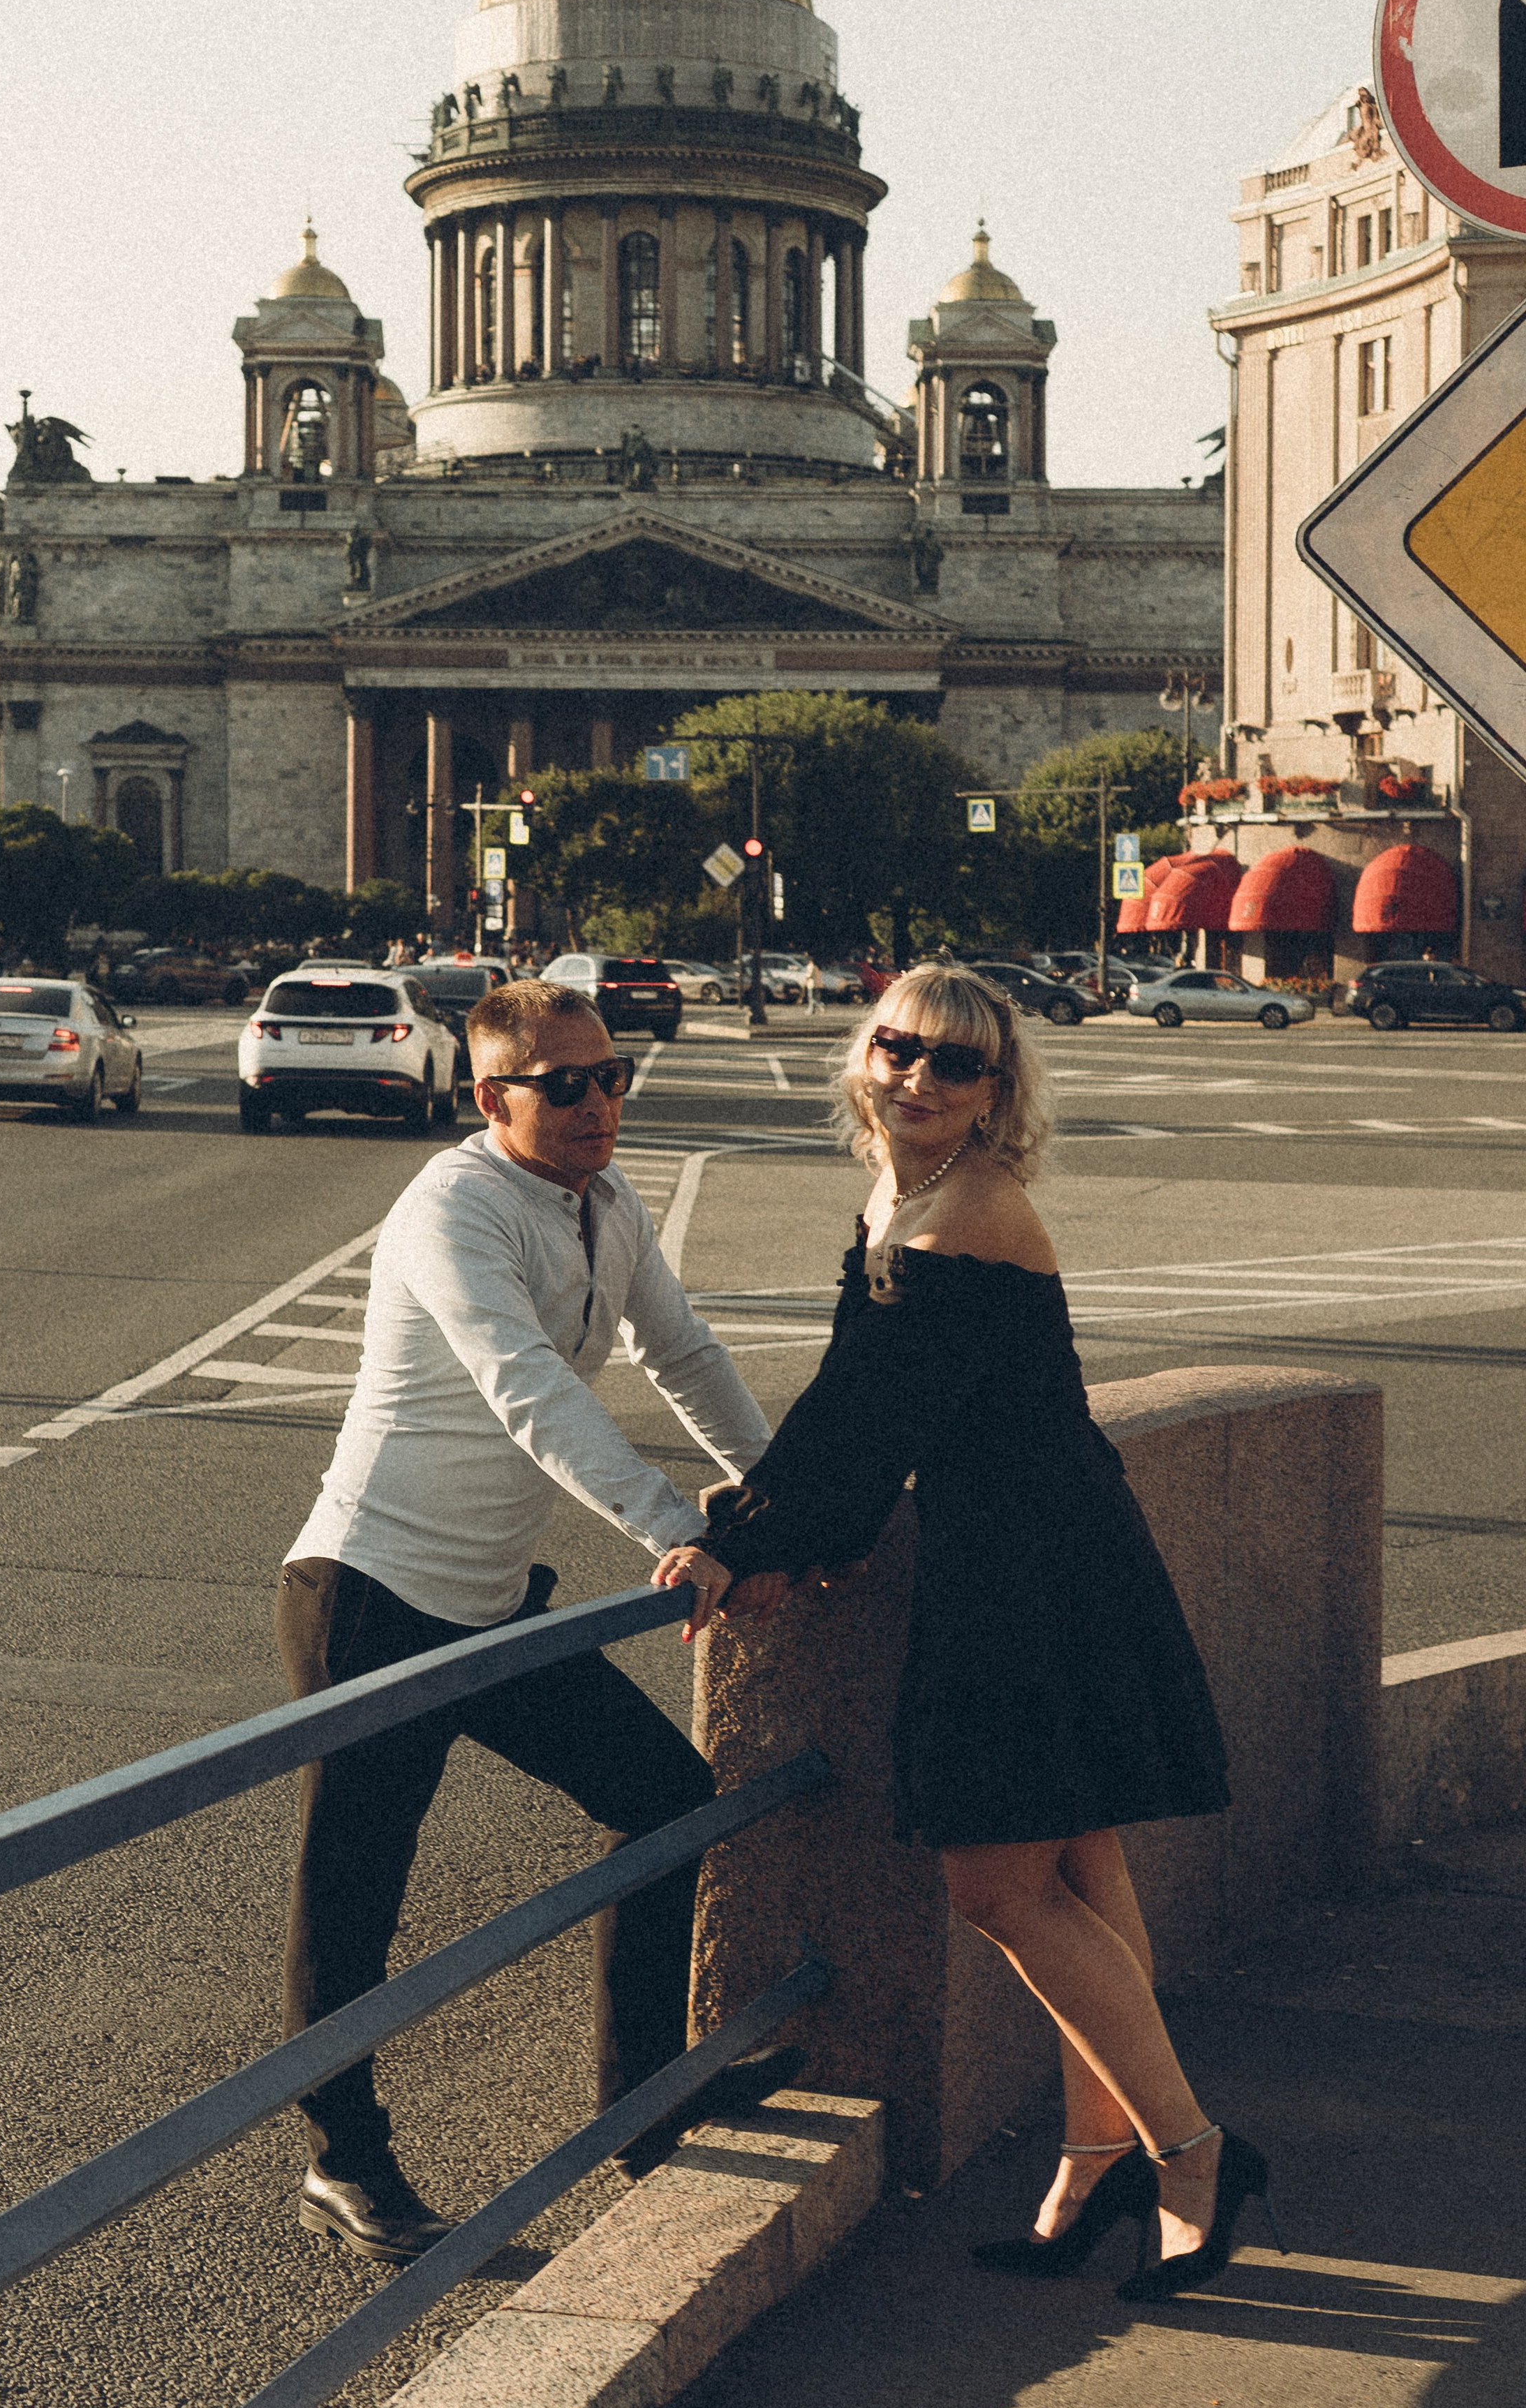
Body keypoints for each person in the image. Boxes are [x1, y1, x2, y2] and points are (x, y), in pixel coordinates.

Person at [703, 967, 1273, 2303]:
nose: (916, 1076)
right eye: (898, 1047)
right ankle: (1094, 2158)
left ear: (997, 1095)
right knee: (1076, 1866)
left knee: (1000, 1889)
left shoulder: (974, 1210)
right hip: (1022, 1547)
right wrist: (786, 1527)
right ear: (865, 1054)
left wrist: (749, 1540)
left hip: (1035, 1571)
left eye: (954, 1066)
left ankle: (1192, 2154)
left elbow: (866, 1412)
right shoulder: (899, 1192)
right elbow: (871, 1400)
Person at [276, 979, 782, 2264]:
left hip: (495, 1608)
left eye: (612, 1078)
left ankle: (642, 2099)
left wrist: (779, 1506)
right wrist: (676, 1526)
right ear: (490, 1097)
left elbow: (687, 1354)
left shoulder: (610, 1205)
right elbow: (528, 1393)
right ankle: (345, 2165)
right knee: (353, 1902)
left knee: (668, 1800)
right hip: (372, 1599)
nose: (597, 1103)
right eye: (563, 1086)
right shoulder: (452, 1208)